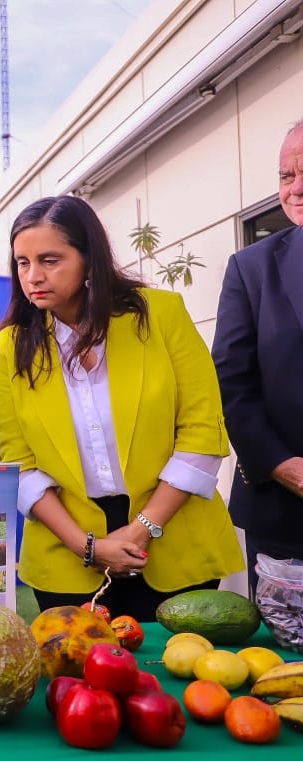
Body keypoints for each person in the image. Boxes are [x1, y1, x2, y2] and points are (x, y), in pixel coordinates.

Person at [0, 195, 243, 622]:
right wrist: (86, 546)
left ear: (90, 260)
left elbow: (203, 432)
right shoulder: (10, 348)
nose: (33, 276)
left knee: (175, 679)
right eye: (22, 263)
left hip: (173, 531)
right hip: (64, 546)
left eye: (50, 260)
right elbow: (19, 462)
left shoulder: (161, 315)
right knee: (80, 682)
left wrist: (143, 529)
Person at [213, 117, 303, 593]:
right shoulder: (251, 269)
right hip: (283, 509)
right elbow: (231, 385)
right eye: (287, 176)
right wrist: (283, 466)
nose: (296, 189)